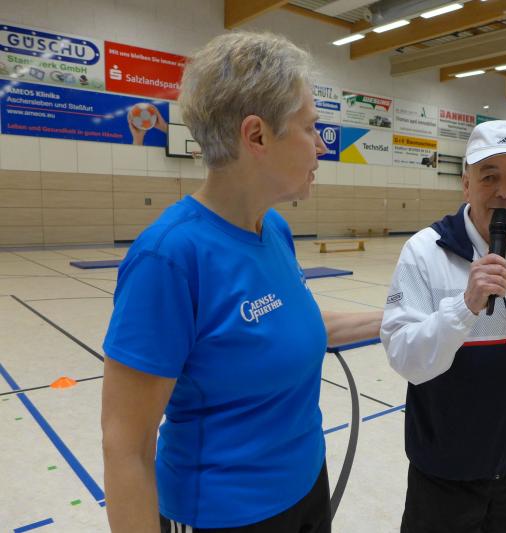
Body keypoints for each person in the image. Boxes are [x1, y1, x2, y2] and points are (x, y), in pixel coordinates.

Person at [101, 31, 382, 533]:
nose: (321, 145)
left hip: (305, 488)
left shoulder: (274, 229)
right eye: (309, 128)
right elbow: (127, 447)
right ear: (257, 136)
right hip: (223, 515)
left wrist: (397, 318)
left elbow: (291, 327)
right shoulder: (169, 257)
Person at [381, 120, 506, 533]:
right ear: (466, 184)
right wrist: (466, 305)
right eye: (489, 176)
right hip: (444, 474)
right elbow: (405, 358)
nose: (504, 191)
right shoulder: (424, 252)